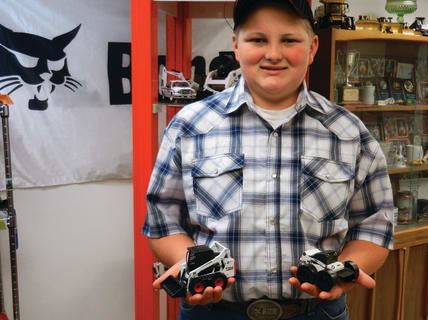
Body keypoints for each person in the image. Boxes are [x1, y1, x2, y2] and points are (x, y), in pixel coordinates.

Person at [143, 0, 394, 319]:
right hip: (212, 312)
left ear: (312, 47)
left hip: (317, 312)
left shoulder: (349, 133)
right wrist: (194, 269)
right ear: (236, 45)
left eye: (289, 40)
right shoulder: (189, 125)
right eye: (258, 40)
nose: (273, 54)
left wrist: (343, 272)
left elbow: (374, 225)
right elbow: (163, 219)